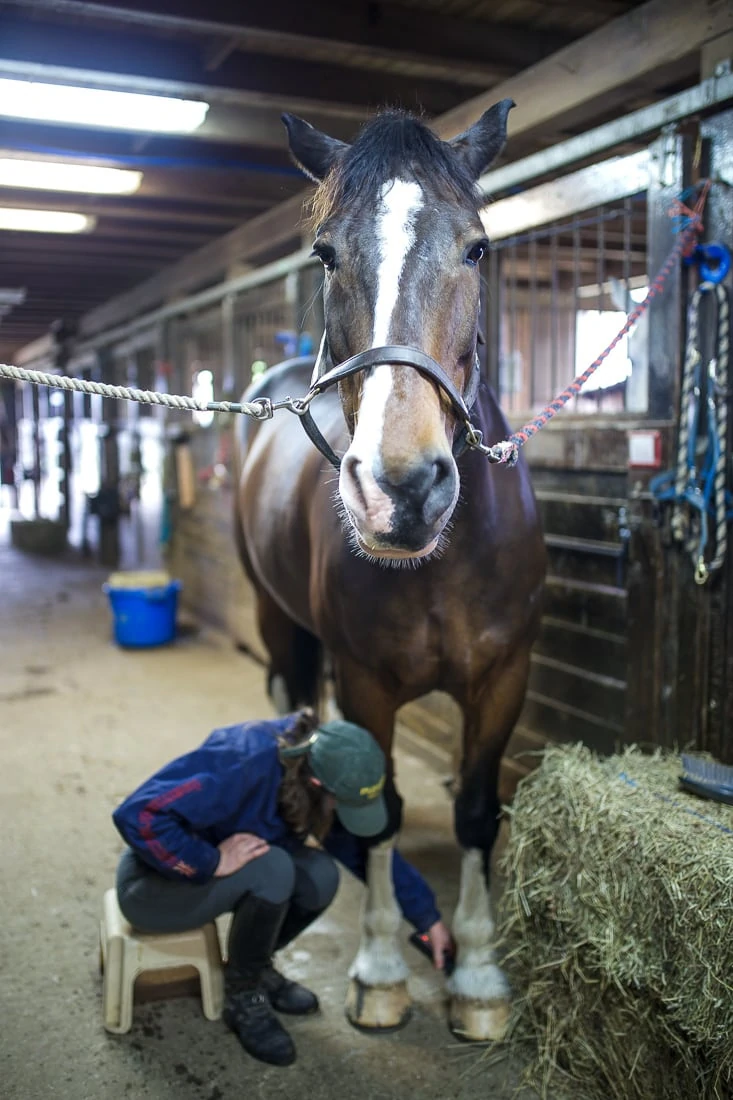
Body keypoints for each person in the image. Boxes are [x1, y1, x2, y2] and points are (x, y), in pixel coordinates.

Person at [112, 710, 453, 1068]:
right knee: (273, 867)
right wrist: (211, 860)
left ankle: (255, 968)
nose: (343, 813)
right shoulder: (242, 760)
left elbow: (361, 850)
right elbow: (139, 815)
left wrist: (427, 916)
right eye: (344, 803)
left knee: (321, 875)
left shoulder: (321, 763)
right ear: (318, 785)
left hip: (223, 877)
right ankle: (243, 998)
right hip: (153, 888)